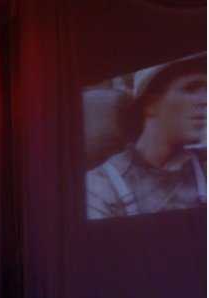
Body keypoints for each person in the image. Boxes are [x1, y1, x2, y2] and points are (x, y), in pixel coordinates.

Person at [86, 53, 207, 219]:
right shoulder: (101, 186)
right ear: (150, 105)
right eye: (191, 88)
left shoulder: (203, 167)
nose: (205, 101)